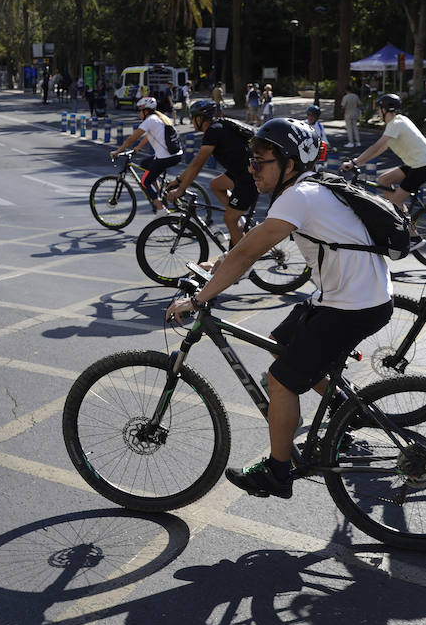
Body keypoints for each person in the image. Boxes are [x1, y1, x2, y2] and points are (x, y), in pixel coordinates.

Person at [165, 117, 392, 499]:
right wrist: (216, 265)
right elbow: (250, 245)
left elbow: (249, 254)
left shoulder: (298, 197)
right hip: (349, 295)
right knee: (279, 342)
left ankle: (277, 471)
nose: (251, 169)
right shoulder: (309, 189)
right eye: (250, 161)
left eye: (260, 162)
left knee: (281, 380)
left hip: (353, 304)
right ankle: (343, 407)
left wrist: (199, 299)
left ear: (289, 163)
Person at [166, 98, 258, 248]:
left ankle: (245, 266)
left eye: (192, 117)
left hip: (249, 177)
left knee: (229, 219)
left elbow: (197, 164)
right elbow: (195, 163)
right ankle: (239, 221)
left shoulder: (213, 131)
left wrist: (181, 190)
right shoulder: (217, 127)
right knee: (215, 185)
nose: (191, 121)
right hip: (240, 171)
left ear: (200, 118)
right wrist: (178, 181)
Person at [340, 93, 426, 210]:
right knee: (384, 180)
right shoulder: (399, 120)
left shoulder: (396, 124)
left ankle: (404, 222)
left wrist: (354, 163)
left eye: (379, 110)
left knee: (395, 202)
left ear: (384, 109)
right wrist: (359, 162)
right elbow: (381, 149)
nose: (378, 113)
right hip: (419, 164)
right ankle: (398, 215)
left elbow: (376, 147)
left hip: (423, 167)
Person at [110, 96, 183, 213]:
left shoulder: (149, 120)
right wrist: (137, 148)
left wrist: (118, 151)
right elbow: (150, 135)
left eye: (140, 110)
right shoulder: (160, 118)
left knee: (145, 181)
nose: (139, 113)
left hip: (166, 157)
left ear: (146, 111)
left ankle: (160, 209)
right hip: (176, 154)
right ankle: (159, 193)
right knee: (144, 164)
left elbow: (132, 138)